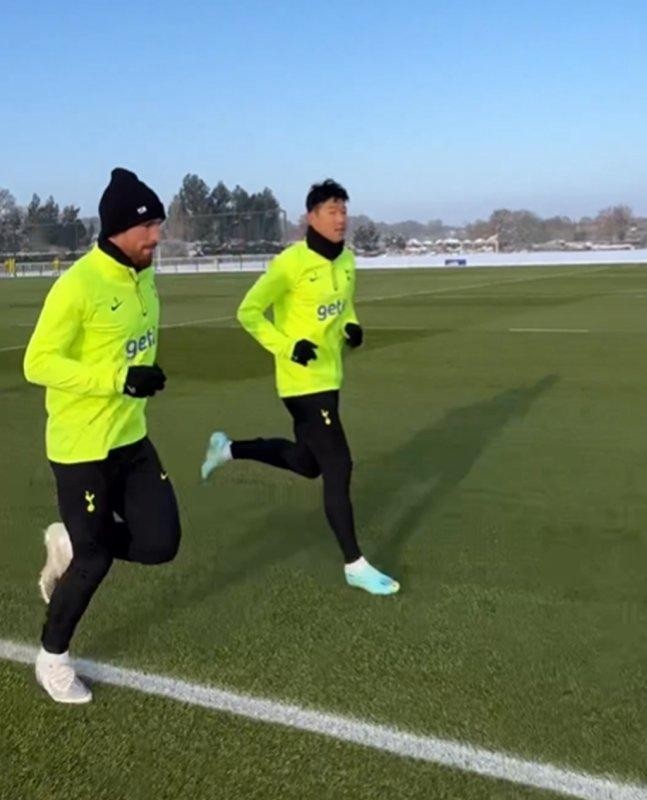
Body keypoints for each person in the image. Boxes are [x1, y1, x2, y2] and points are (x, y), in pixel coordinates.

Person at [23, 168, 181, 704]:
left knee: (160, 544)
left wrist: (141, 376)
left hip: (131, 439)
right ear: (117, 229)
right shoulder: (77, 285)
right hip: (81, 447)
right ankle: (52, 659)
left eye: (158, 225)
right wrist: (118, 378)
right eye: (148, 227)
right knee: (94, 561)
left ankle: (72, 538)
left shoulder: (145, 275)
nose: (157, 236)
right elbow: (37, 362)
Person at [201, 179, 399, 596]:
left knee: (308, 463)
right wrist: (288, 347)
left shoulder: (347, 260)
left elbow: (344, 307)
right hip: (300, 383)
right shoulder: (290, 264)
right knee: (339, 464)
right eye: (332, 211)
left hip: (331, 377)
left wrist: (351, 327)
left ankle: (228, 449)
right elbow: (248, 312)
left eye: (343, 210)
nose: (340, 219)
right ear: (312, 217)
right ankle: (354, 564)